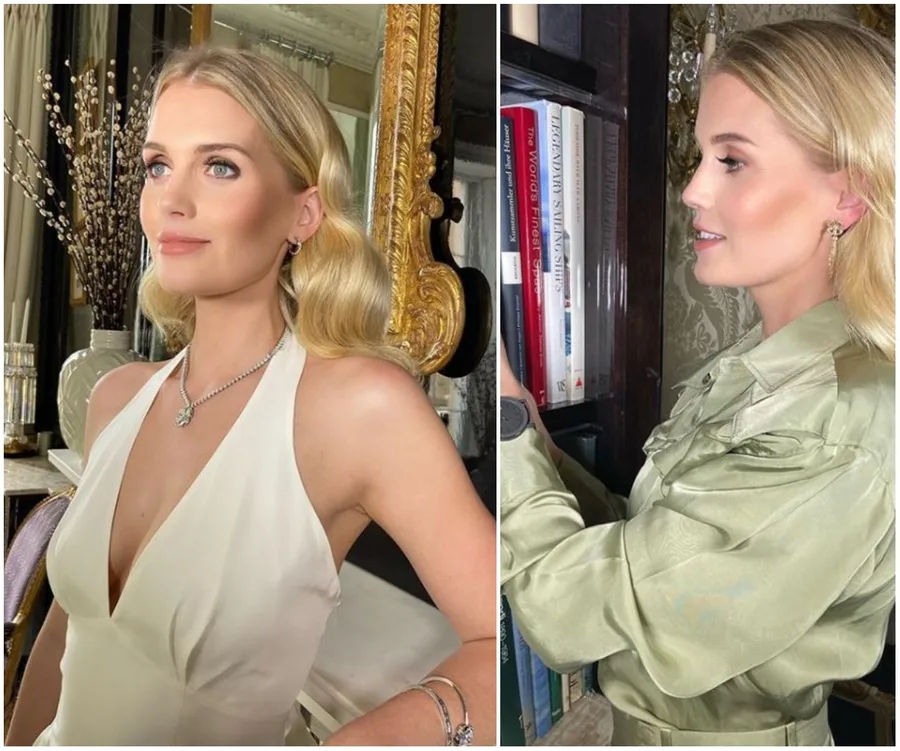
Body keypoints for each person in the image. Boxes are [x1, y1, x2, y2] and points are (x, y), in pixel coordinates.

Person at [7, 47, 496, 746]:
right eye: (157, 165)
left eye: (220, 166)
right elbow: (66, 638)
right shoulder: (116, 396)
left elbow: (496, 631)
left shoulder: (359, 408)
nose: (172, 199)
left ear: (302, 212)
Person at [499, 18, 894, 747]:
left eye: (733, 161)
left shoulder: (830, 422)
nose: (691, 189)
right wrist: (548, 458)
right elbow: (665, 543)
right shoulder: (772, 364)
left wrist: (509, 430)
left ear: (846, 197)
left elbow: (568, 614)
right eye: (701, 155)